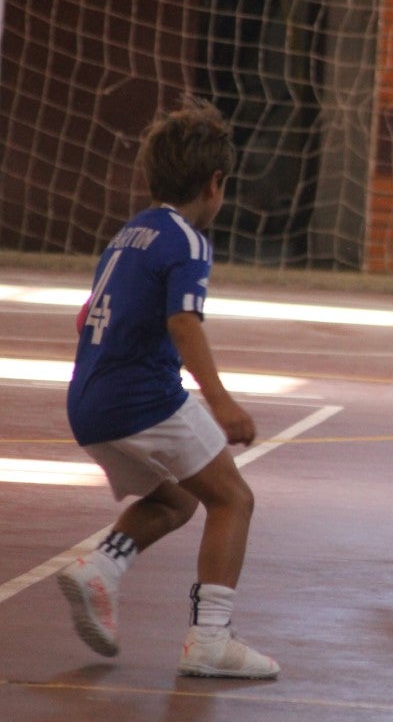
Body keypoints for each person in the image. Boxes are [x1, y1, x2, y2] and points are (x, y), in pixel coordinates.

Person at [58, 95, 279, 679]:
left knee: (177, 498)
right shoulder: (188, 240)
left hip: (87, 402)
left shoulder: (129, 234)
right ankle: (211, 639)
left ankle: (102, 566)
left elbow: (86, 317)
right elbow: (184, 321)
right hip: (141, 399)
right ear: (215, 183)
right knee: (234, 498)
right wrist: (222, 401)